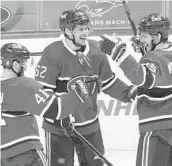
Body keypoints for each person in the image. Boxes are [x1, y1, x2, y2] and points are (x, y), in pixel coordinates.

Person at [34, 9, 136, 166]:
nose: (86, 32)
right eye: (81, 29)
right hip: (59, 129)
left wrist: (128, 93)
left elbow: (108, 82)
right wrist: (56, 115)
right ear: (67, 31)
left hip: (89, 124)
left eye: (87, 28)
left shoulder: (96, 51)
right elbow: (42, 92)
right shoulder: (52, 53)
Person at [0, 43, 90, 166]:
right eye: (24, 62)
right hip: (25, 153)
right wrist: (78, 93)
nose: (26, 66)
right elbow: (56, 109)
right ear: (15, 65)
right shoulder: (23, 85)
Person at [100, 13, 172, 166]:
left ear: (157, 37)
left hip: (156, 131)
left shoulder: (154, 58)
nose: (141, 40)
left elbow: (143, 77)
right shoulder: (164, 55)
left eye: (144, 36)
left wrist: (120, 54)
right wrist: (147, 52)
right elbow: (158, 81)